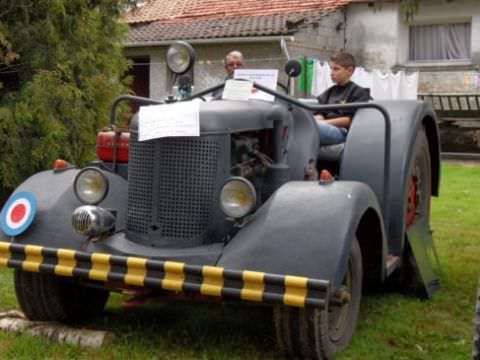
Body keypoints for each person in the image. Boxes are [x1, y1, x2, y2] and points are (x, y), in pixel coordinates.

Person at [315, 51, 370, 145]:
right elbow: (319, 112)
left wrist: (323, 123)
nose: (331, 73)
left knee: (314, 129)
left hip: (342, 132)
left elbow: (349, 120)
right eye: (331, 69)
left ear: (349, 71)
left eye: (336, 69)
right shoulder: (329, 92)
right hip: (324, 126)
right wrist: (316, 121)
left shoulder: (359, 93)